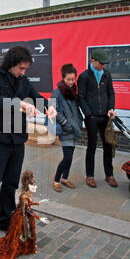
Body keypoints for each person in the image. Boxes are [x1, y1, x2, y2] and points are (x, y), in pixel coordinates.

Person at [0, 46, 57, 242]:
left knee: (10, 183)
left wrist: (49, 108)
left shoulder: (23, 81)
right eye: (21, 68)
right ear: (11, 64)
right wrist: (19, 104)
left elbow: (36, 98)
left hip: (17, 141)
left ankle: (4, 219)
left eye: (25, 69)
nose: (23, 73)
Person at [0, 170, 49, 259]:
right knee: (22, 232)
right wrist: (39, 218)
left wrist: (38, 203)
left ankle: (29, 247)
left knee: (29, 231)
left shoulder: (27, 195)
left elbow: (29, 204)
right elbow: (28, 210)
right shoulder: (24, 197)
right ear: (28, 185)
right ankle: (21, 247)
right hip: (22, 217)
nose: (36, 187)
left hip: (26, 216)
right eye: (33, 185)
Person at [77, 48, 118, 188]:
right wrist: (88, 114)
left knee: (108, 145)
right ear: (93, 60)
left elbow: (111, 93)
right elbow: (81, 98)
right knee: (92, 146)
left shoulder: (106, 74)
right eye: (101, 63)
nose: (103, 66)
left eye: (105, 64)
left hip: (106, 116)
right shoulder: (84, 76)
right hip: (92, 118)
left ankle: (109, 174)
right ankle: (90, 175)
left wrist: (111, 108)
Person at [51, 64, 83, 192]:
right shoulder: (57, 92)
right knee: (67, 157)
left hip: (75, 128)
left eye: (73, 79)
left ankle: (65, 178)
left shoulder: (73, 91)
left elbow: (76, 108)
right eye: (68, 79)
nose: (71, 82)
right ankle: (56, 180)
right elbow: (52, 110)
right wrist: (64, 123)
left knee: (71, 156)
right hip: (65, 129)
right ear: (63, 78)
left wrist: (79, 121)